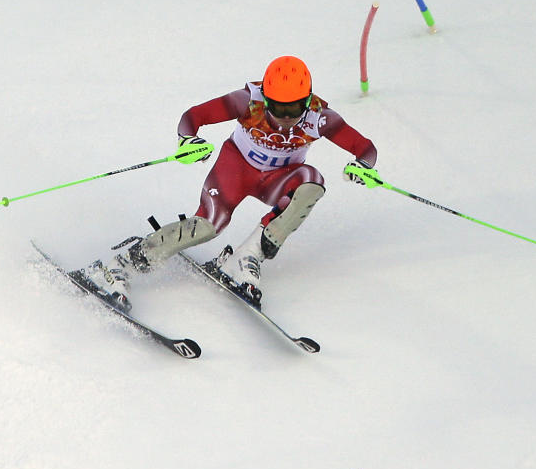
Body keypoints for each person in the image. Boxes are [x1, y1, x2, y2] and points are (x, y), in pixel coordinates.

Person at [83, 55, 377, 309]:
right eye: (278, 108)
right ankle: (118, 266)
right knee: (209, 226)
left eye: (294, 108)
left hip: (276, 180)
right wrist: (188, 140)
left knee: (312, 180)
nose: (286, 118)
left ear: (309, 99)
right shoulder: (249, 102)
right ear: (267, 97)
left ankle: (247, 257)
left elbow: (366, 148)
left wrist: (363, 166)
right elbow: (192, 116)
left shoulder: (319, 117)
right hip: (234, 170)